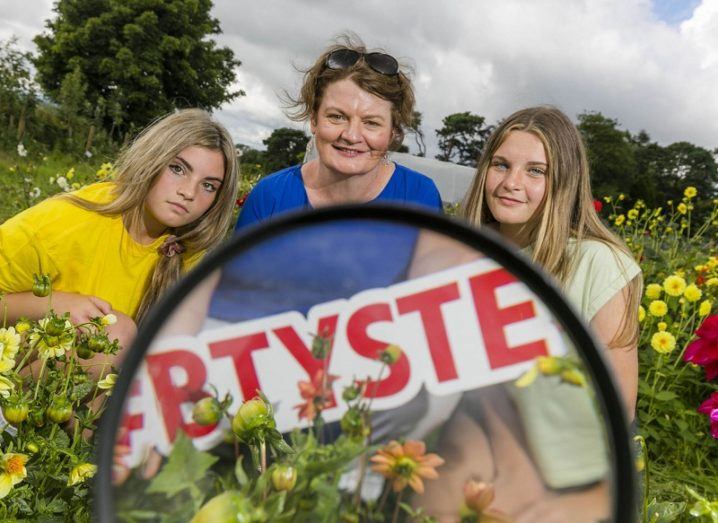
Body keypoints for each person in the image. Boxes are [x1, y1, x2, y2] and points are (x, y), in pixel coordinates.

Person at [418, 106, 642, 522]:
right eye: (500, 165)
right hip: (460, 470)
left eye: (536, 171)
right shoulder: (454, 254)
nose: (511, 183)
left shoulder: (599, 263)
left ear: (564, 183)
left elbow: (619, 406)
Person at [199, 35, 443, 325]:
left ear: (392, 134)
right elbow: (235, 307)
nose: (352, 135)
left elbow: (428, 308)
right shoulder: (271, 196)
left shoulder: (419, 197)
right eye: (337, 117)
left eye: (371, 122)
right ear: (313, 119)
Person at [0, 108, 239, 354]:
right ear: (152, 159)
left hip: (102, 379)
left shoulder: (187, 249)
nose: (189, 192)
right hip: (15, 365)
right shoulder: (66, 221)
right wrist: (51, 303)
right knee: (117, 333)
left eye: (208, 185)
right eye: (177, 169)